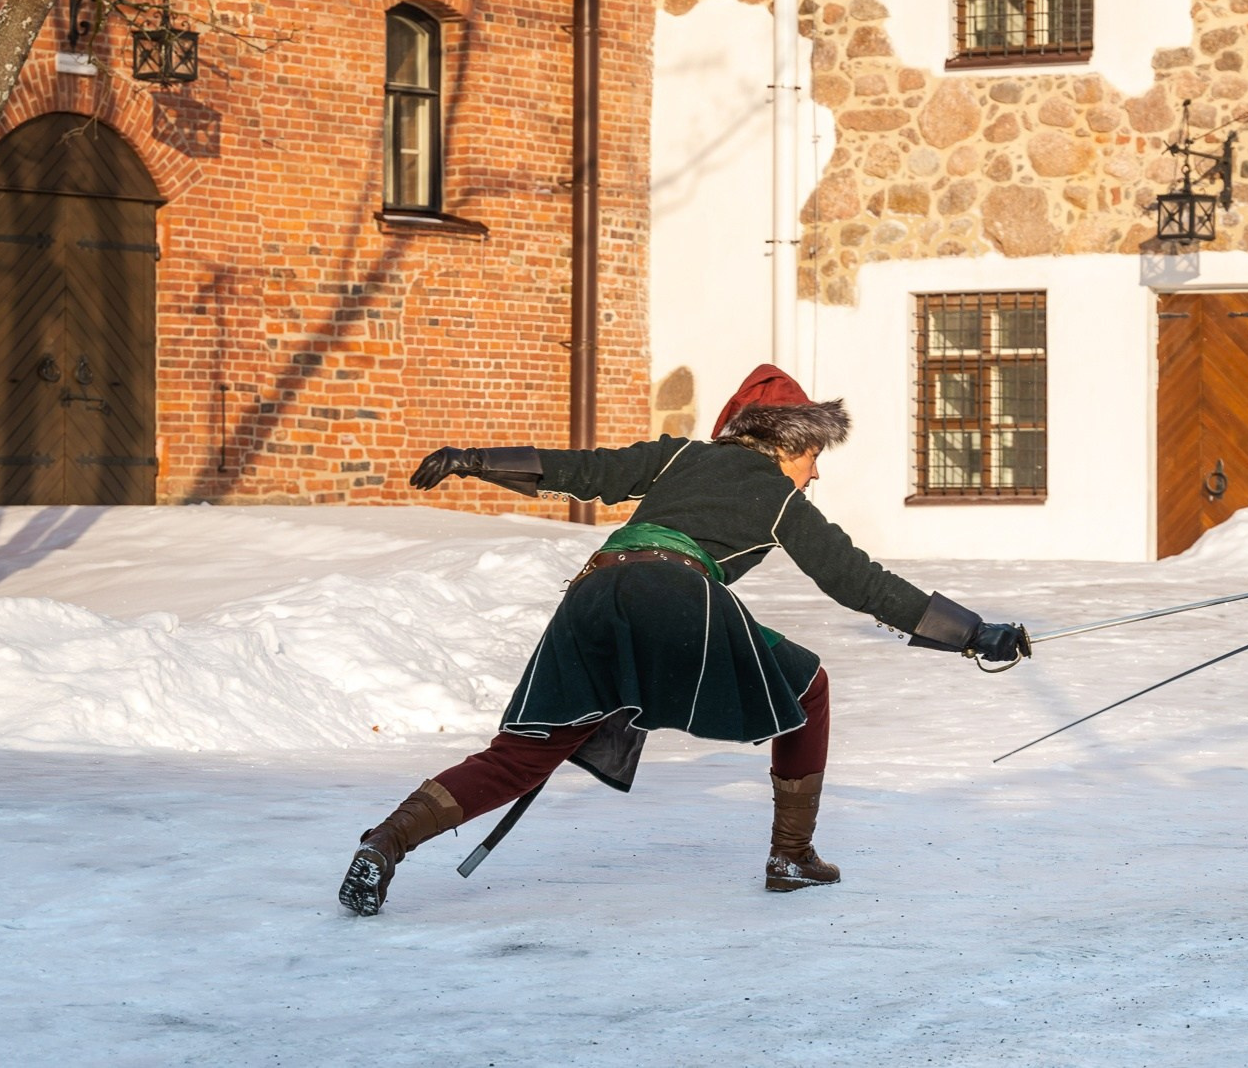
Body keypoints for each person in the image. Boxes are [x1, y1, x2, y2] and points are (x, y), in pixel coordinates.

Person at [337, 364, 1031, 916]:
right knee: (808, 687)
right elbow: (861, 584)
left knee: (521, 755)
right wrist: (973, 633)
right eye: (814, 455)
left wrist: (475, 458)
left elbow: (582, 471)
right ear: (789, 443)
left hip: (593, 592)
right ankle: (791, 855)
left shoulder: (678, 459)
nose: (815, 473)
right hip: (677, 593)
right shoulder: (783, 496)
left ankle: (384, 842)